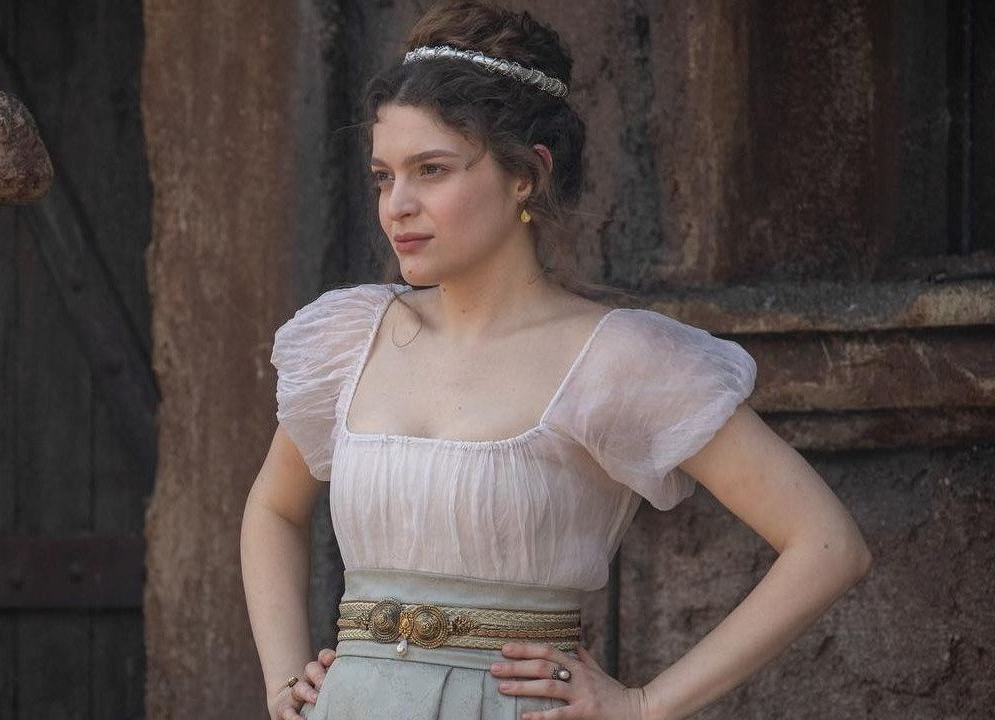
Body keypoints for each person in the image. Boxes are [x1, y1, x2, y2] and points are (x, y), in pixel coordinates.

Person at [240, 2, 872, 719]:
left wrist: (644, 705)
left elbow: (827, 544)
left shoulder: (614, 358)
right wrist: (283, 681)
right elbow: (273, 507)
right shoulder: (349, 338)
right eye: (384, 176)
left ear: (528, 175)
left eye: (432, 170)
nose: (398, 205)